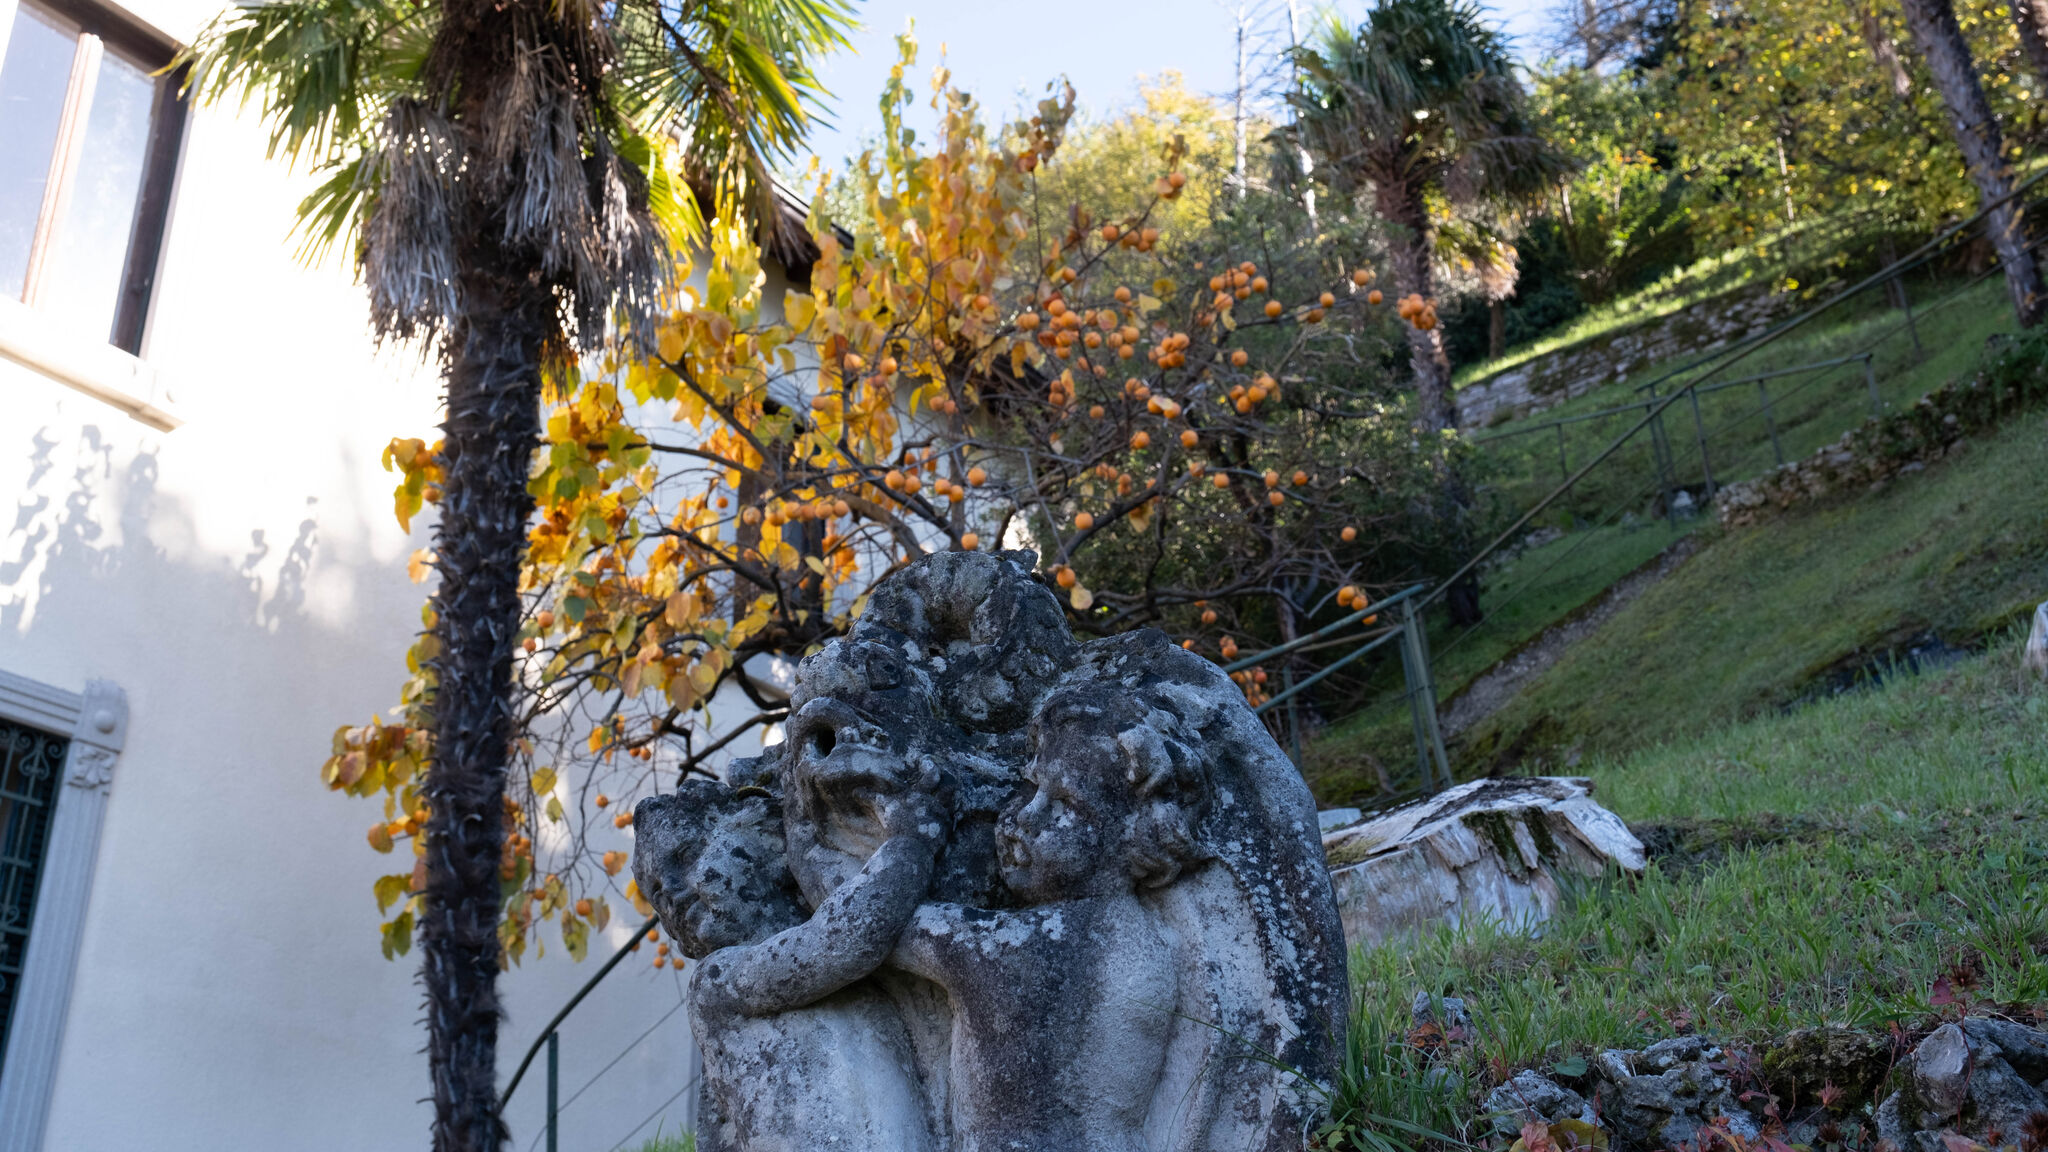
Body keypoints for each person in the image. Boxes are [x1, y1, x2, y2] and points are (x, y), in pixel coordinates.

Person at [630, 763, 940, 1152]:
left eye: (688, 855)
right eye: (658, 894)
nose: (674, 891)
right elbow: (841, 941)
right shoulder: (717, 980)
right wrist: (911, 842)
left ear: (758, 832)